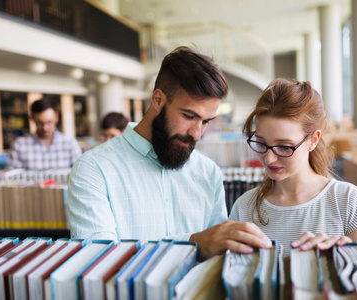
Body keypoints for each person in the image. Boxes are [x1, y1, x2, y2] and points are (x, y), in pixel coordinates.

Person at [68, 46, 272, 261]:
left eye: (205, 121)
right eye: (189, 116)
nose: (197, 133)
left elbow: (216, 256)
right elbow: (97, 260)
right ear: (158, 100)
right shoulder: (93, 169)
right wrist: (193, 243)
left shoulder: (208, 172)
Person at [229, 78, 357, 255]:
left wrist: (336, 262)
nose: (269, 159)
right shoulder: (244, 207)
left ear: (313, 141)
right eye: (261, 143)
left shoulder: (351, 202)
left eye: (284, 147)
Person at [7, 97, 82, 170]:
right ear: (31, 118)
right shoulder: (19, 145)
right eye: (40, 123)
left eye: (49, 122)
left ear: (56, 117)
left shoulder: (70, 144)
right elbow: (12, 177)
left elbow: (81, 174)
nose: (45, 128)